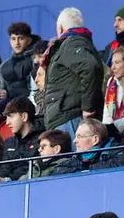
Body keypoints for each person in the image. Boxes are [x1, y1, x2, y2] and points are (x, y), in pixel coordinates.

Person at [42, 7, 104, 136]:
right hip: (67, 117)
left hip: (69, 118)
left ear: (60, 28)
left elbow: (89, 67)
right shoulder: (81, 43)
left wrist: (88, 107)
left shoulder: (72, 43)